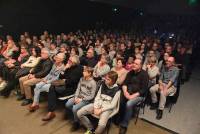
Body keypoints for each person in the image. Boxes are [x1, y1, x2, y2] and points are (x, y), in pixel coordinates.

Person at [42, 55, 83, 121]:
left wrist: (65, 80)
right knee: (52, 87)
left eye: (70, 61)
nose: (68, 62)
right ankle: (51, 112)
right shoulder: (68, 67)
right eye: (68, 60)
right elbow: (61, 76)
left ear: (74, 62)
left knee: (52, 88)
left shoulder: (79, 68)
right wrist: (64, 69)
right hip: (64, 85)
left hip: (72, 88)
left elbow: (72, 81)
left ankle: (51, 112)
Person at [119, 58, 149, 134]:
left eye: (136, 64)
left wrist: (132, 96)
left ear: (141, 65)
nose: (134, 65)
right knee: (119, 98)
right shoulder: (130, 72)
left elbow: (144, 90)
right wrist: (125, 92)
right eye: (134, 63)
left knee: (129, 104)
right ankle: (119, 117)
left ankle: (124, 125)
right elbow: (125, 83)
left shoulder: (145, 75)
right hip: (128, 92)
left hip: (139, 95)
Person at [65, 66, 97, 131]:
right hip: (78, 96)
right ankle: (75, 117)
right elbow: (78, 89)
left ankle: (76, 122)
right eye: (83, 71)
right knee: (67, 104)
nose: (83, 72)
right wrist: (76, 97)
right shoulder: (81, 79)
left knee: (74, 108)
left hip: (86, 100)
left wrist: (81, 99)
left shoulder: (93, 83)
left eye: (85, 71)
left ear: (89, 73)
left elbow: (92, 96)